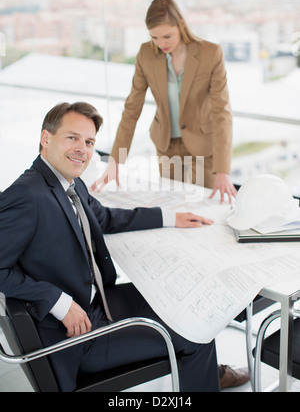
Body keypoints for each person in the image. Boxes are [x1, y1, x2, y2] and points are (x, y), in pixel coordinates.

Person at [0, 102, 247, 392]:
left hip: (97, 302)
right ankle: (207, 376)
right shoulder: (27, 195)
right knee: (198, 330)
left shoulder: (67, 181)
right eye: (72, 138)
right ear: (46, 138)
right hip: (78, 337)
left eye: (89, 141)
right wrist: (57, 301)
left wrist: (169, 217)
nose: (82, 148)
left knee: (187, 301)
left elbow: (103, 217)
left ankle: (205, 373)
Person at [91, 0, 237, 204]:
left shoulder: (210, 53)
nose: (161, 44)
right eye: (154, 38)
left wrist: (223, 171)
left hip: (204, 144)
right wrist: (115, 161)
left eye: (167, 36)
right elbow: (132, 108)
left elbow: (222, 112)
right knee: (172, 206)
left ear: (182, 25)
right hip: (167, 143)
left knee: (208, 206)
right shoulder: (146, 54)